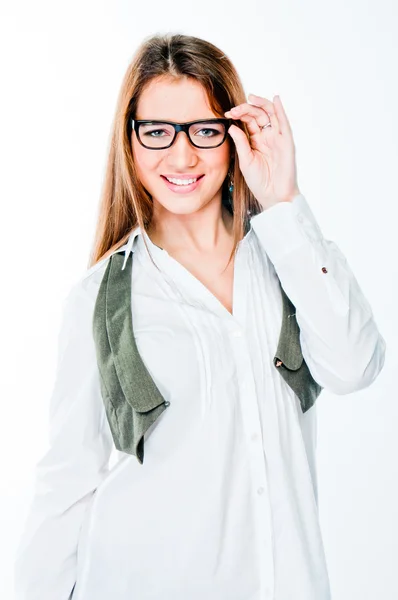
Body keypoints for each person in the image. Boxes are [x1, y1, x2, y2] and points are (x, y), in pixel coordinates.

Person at [14, 33, 386, 600]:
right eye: (157, 131)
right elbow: (66, 485)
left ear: (235, 136)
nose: (182, 156)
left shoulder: (288, 257)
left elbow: (356, 366)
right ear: (130, 144)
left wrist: (284, 205)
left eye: (204, 131)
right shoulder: (102, 297)